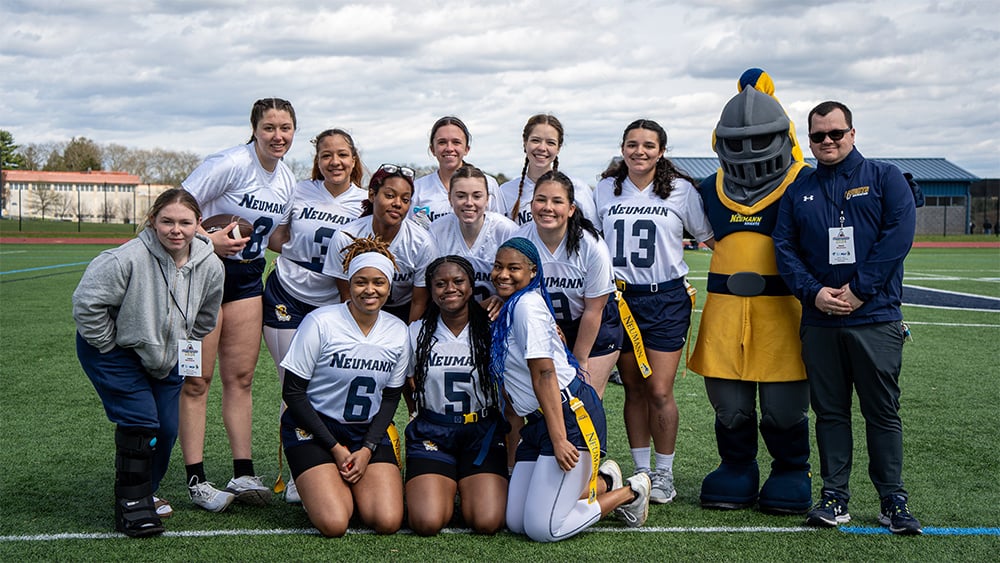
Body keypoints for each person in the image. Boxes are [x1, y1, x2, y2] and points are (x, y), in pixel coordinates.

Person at [773, 100, 922, 535]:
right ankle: (834, 497)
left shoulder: (884, 177)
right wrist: (814, 292)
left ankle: (892, 499)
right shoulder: (800, 187)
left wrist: (858, 292)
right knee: (830, 413)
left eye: (835, 133)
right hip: (821, 321)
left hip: (874, 318)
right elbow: (785, 248)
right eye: (818, 136)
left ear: (852, 133)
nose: (827, 142)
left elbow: (898, 237)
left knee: (882, 412)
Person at [689, 69, 813, 514]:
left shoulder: (805, 183)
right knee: (731, 407)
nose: (747, 151)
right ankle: (737, 467)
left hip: (785, 314)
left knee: (783, 409)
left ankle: (791, 469)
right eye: (737, 142)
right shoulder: (706, 190)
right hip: (724, 316)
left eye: (759, 140)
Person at [73, 188, 225, 537]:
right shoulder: (125, 258)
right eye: (167, 221)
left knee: (167, 427)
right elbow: (86, 304)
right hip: (115, 350)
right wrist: (109, 345)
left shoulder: (211, 264)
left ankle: (146, 490)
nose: (176, 230)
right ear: (152, 221)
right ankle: (132, 503)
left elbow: (207, 312)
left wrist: (186, 341)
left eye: (185, 222)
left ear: (198, 224)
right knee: (142, 419)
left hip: (167, 354)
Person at [179, 98, 297, 511]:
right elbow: (176, 208)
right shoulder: (228, 163)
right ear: (255, 129)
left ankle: (242, 472)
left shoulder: (286, 179)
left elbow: (278, 238)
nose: (277, 136)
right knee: (197, 380)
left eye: (285, 128)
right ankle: (196, 479)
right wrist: (207, 241)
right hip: (203, 277)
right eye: (269, 128)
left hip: (247, 278)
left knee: (242, 378)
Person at [493, 237, 651, 543]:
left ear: (533, 272)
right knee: (516, 521)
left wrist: (559, 437)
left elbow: (545, 374)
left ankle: (632, 492)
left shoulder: (527, 307)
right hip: (539, 420)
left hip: (568, 415)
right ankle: (605, 480)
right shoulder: (515, 304)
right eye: (498, 266)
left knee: (544, 528)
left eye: (514, 268)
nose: (503, 274)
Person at [594, 119, 715, 504]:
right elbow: (593, 246)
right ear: (623, 147)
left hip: (665, 298)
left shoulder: (680, 191)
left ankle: (664, 473)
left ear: (661, 150)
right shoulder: (605, 189)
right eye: (632, 144)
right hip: (619, 298)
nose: (639, 151)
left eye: (648, 145)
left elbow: (709, 239)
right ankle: (642, 469)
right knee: (632, 387)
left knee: (659, 389)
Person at [263, 128, 367, 503]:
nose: (334, 162)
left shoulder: (365, 201)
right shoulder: (298, 190)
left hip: (332, 302)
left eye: (341, 155)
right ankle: (296, 472)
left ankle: (324, 463)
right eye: (326, 155)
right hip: (287, 293)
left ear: (353, 159)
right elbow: (275, 235)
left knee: (324, 387)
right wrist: (296, 252)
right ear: (317, 160)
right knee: (293, 387)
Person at [280, 237, 408, 537]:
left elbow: (390, 399)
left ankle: (345, 485)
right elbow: (293, 393)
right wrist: (336, 450)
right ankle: (320, 484)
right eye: (361, 282)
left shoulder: (398, 332)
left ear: (389, 287)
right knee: (335, 523)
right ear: (349, 283)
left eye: (379, 282)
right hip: (313, 429)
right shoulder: (321, 322)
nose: (370, 290)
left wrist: (366, 450)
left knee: (387, 521)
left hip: (365, 432)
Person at [405, 256, 509, 536]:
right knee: (427, 522)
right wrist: (414, 411)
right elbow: (407, 380)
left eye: (458, 281)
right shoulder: (417, 332)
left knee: (487, 522)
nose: (449, 288)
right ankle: (443, 484)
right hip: (433, 431)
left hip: (481, 431)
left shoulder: (491, 329)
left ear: (472, 285)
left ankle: (466, 485)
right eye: (440, 284)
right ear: (431, 290)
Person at [513, 170, 620, 398]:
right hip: (546, 327)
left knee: (584, 398)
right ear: (531, 205)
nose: (547, 207)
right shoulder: (520, 241)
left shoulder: (591, 246)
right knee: (542, 403)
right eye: (541, 199)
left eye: (557, 201)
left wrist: (580, 360)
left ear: (571, 209)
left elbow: (594, 309)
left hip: (592, 324)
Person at [324, 163, 437, 322]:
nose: (398, 203)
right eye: (390, 196)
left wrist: (410, 338)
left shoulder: (421, 242)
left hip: (404, 309)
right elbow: (347, 295)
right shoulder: (346, 237)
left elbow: (419, 301)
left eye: (405, 199)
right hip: (360, 308)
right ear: (372, 195)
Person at [428, 165, 518, 302]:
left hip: (497, 315)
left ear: (487, 199)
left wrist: (505, 300)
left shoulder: (507, 230)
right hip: (453, 315)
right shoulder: (437, 230)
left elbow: (521, 280)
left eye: (477, 196)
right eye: (461, 196)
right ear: (449, 198)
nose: (469, 203)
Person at [498, 114, 599, 227]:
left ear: (558, 148)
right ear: (525, 143)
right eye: (536, 140)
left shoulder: (578, 188)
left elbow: (593, 233)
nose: (542, 148)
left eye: (550, 143)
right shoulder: (505, 192)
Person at [410, 116, 502, 227]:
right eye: (442, 142)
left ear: (466, 149)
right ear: (433, 149)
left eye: (456, 142)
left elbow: (498, 227)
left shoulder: (488, 184)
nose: (449, 148)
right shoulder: (417, 189)